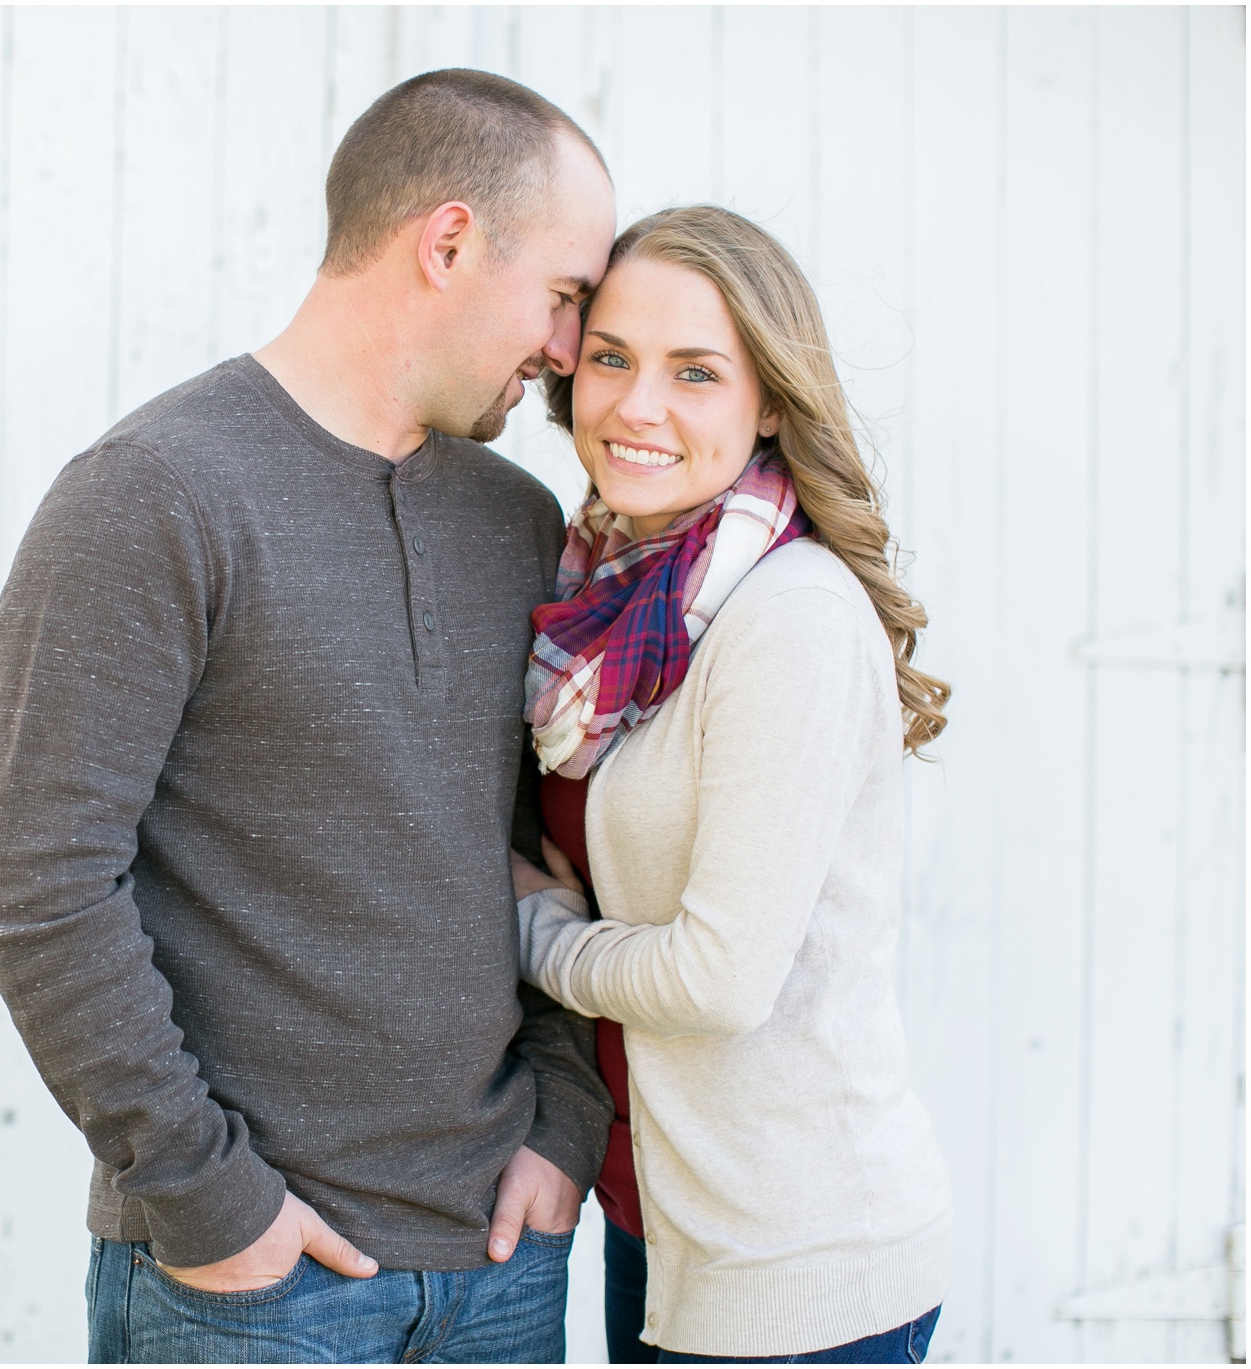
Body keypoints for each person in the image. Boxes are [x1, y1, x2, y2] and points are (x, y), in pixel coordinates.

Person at [0, 69, 617, 1363]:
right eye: (562, 296)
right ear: (448, 242)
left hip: (499, 1264)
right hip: (254, 1287)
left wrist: (563, 1116)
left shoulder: (520, 521)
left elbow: (533, 850)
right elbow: (40, 879)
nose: (565, 351)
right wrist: (209, 1200)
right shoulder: (152, 496)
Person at [510, 205, 954, 1364]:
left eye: (694, 373)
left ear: (767, 401)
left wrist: (532, 929)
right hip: (653, 1221)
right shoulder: (599, 586)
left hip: (791, 1260)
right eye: (609, 357)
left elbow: (715, 979)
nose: (635, 405)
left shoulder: (784, 616)